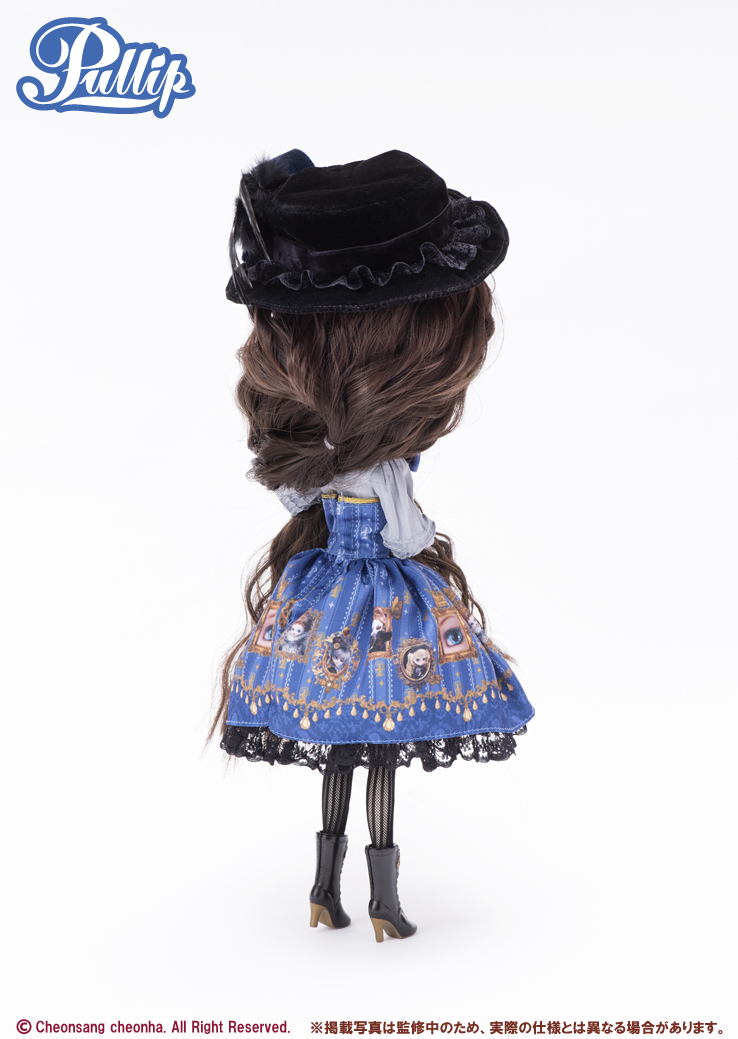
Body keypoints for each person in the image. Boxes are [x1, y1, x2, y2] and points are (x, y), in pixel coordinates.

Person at [211, 148, 535, 942]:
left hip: (326, 591)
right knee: (382, 746)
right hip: (381, 602)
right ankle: (385, 903)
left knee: (336, 751)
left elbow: (294, 495)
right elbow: (405, 531)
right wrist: (425, 549)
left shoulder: (325, 463)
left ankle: (324, 889)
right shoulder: (385, 469)